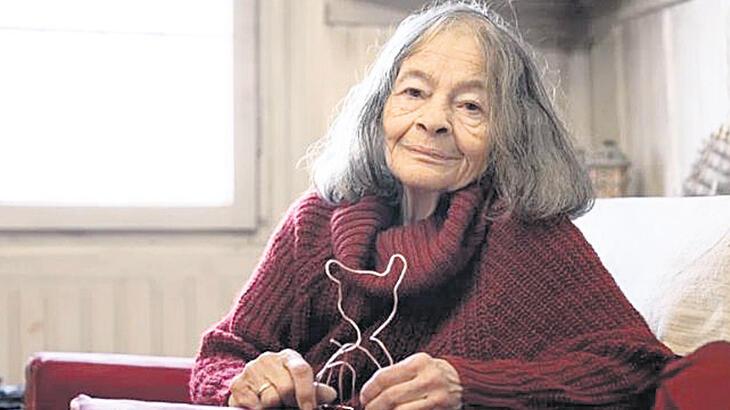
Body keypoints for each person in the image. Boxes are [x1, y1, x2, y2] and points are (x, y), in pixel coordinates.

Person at [189, 2, 674, 409]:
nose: (434, 120)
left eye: (471, 106)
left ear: (510, 132)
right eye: (414, 92)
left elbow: (636, 367)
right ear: (380, 108)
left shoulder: (525, 232)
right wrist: (247, 384)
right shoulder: (313, 221)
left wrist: (471, 387)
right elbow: (222, 354)